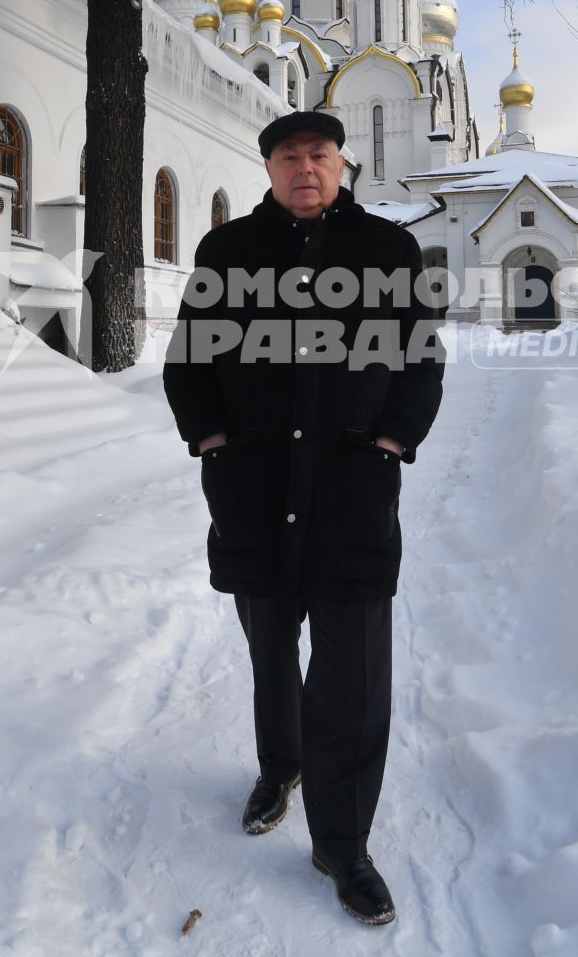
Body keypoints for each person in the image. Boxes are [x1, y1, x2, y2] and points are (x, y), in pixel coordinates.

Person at [162, 109, 444, 926]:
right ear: (271, 169)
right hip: (254, 488)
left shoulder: (388, 253)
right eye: (290, 157)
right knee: (271, 643)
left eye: (319, 155)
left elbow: (420, 359)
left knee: (352, 674)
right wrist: (214, 441)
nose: (306, 169)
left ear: (342, 164)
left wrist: (391, 442)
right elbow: (191, 360)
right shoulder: (227, 254)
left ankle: (343, 844)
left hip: (353, 490)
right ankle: (277, 766)